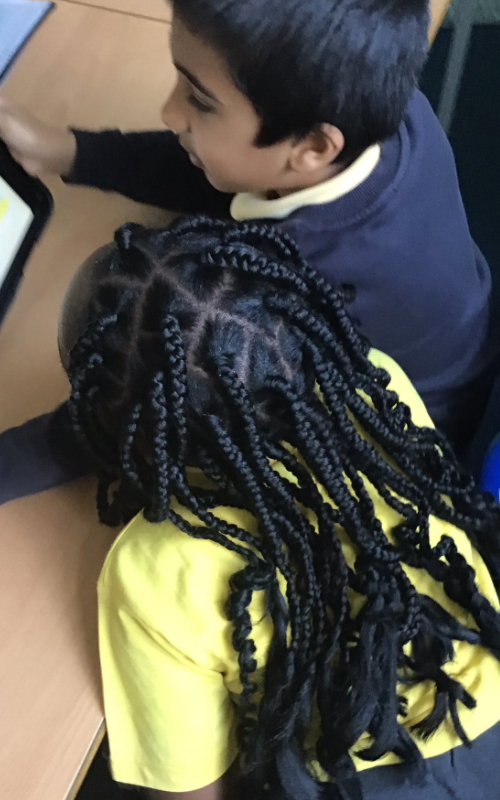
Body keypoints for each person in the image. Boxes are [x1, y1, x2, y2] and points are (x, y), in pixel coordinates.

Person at [56, 216, 500, 800]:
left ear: (110, 424)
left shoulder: (154, 570)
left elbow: (190, 793)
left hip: (358, 777)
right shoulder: (376, 387)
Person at [0, 0, 497, 448]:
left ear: (314, 147)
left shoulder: (274, 287)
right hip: (465, 345)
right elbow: (219, 173)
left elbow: (157, 401)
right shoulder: (381, 104)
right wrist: (67, 151)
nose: (169, 113)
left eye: (200, 100)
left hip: (404, 430)